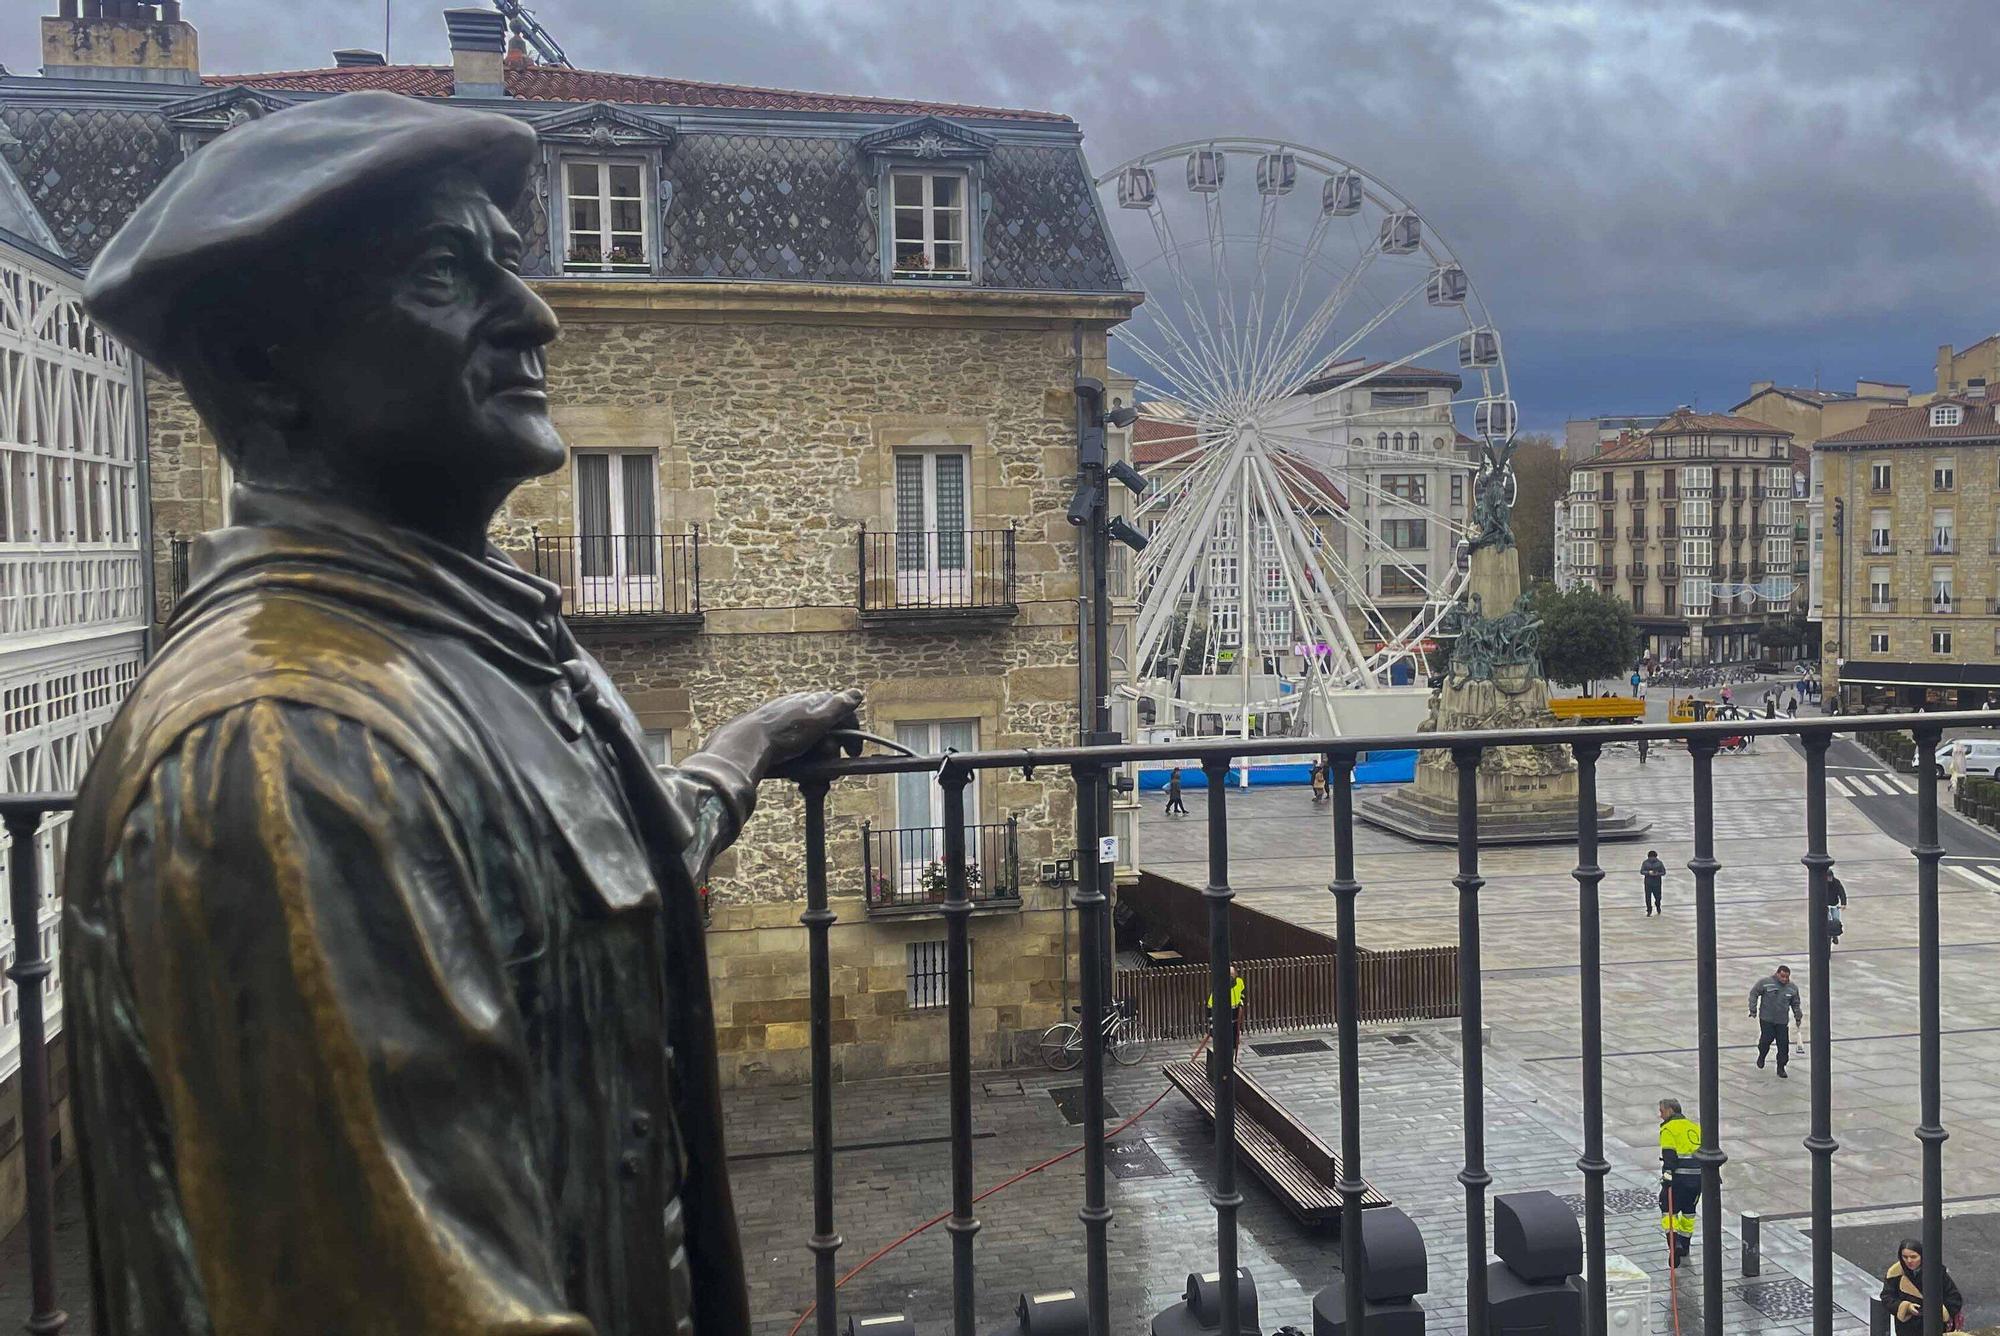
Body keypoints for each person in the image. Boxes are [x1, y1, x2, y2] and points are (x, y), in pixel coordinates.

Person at [62, 94, 866, 1334]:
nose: (534, 313)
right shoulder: (291, 747)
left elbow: (614, 865)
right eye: (448, 271)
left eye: (511, 258)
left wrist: (744, 745)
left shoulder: (477, 644)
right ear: (259, 365)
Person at [1881, 1238, 1963, 1335]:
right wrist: (1906, 1307)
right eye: (1905, 1257)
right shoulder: (1895, 1274)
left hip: (1934, 1326)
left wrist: (1938, 1311)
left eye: (1913, 1257)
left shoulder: (1936, 1272)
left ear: (1922, 1256)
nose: (1909, 1261)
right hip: (1907, 1329)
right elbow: (1887, 1297)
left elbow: (1954, 1298)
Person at [1657, 1097, 1703, 1265]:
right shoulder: (1694, 1127)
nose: (1660, 1115)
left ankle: (1673, 1245)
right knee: (1689, 1212)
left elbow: (1670, 1157)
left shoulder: (1668, 1129)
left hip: (1679, 1178)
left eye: (1662, 1111)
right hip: (1698, 1179)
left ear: (1670, 1111)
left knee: (1668, 1211)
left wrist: (1666, 1179)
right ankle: (1684, 1245)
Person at [1749, 964, 1803, 1077]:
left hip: (1782, 1022)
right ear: (1777, 974)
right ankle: (1762, 1055)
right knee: (1766, 1039)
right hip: (1766, 1019)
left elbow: (1795, 1004)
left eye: (1787, 977)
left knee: (1783, 1045)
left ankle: (1781, 1067)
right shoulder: (1765, 982)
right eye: (1782, 976)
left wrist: (1798, 1016)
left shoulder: (1792, 988)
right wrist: (1752, 1009)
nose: (1784, 979)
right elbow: (1754, 993)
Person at [1640, 849, 1668, 916]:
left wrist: (1657, 873)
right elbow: (1642, 871)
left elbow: (1663, 872)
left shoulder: (1659, 863)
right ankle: (1649, 910)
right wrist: (1648, 873)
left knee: (1658, 897)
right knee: (1648, 898)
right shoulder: (1645, 863)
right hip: (1648, 883)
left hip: (1657, 883)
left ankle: (1658, 905)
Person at [1827, 871, 1848, 945]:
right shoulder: (1822, 883)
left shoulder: (1836, 882)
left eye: (1830, 877)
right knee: (1827, 920)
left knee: (1836, 919)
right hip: (1825, 905)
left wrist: (1843, 903)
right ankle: (1829, 934)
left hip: (1834, 904)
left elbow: (1841, 892)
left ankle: (1835, 935)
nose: (1829, 879)